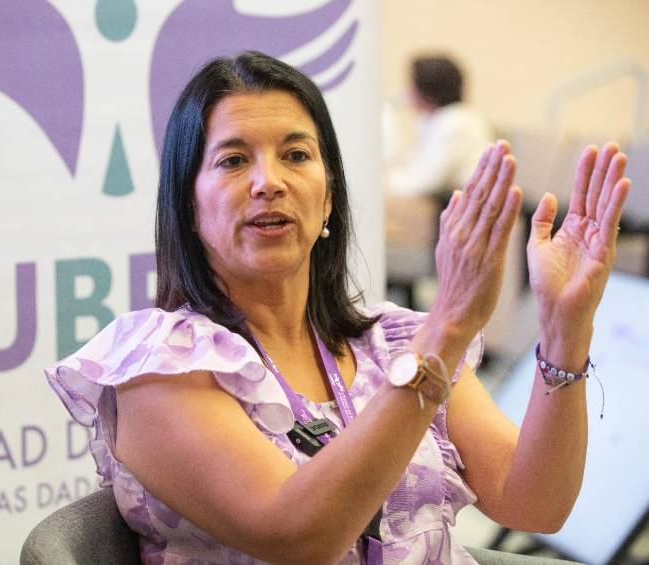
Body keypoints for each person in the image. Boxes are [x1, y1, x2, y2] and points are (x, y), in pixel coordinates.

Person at [46, 51, 630, 564]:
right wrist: (448, 326)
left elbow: (535, 503)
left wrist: (563, 328)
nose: (268, 182)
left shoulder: (395, 341)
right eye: (232, 161)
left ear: (328, 198)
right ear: (187, 203)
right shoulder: (160, 366)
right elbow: (301, 537)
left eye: (296, 155)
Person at [384, 55, 492, 199]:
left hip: (469, 204)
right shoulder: (435, 120)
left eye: (412, 86)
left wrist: (385, 182)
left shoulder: (457, 122)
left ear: (428, 91)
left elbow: (428, 181)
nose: (407, 92)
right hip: (453, 199)